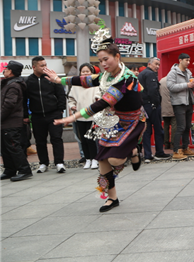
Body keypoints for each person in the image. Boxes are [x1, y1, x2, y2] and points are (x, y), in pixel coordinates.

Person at [44, 33, 145, 212]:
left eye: (106, 59)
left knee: (115, 159)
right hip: (110, 121)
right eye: (100, 61)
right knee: (103, 161)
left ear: (117, 56)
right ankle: (112, 198)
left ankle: (134, 148)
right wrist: (60, 80)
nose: (103, 64)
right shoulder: (105, 75)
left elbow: (103, 102)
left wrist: (73, 117)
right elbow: (86, 80)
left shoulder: (126, 78)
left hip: (132, 122)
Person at [26, 56, 66, 174]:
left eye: (45, 65)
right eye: (42, 65)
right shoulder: (28, 81)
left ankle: (59, 163)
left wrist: (61, 110)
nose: (45, 67)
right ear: (34, 67)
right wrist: (25, 114)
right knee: (40, 141)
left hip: (54, 114)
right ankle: (43, 163)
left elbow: (61, 94)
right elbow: (24, 99)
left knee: (56, 138)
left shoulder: (51, 78)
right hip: (37, 115)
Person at [1, 61, 33, 182]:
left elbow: (9, 104)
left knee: (14, 147)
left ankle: (24, 170)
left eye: (6, 69)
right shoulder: (8, 83)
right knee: (5, 148)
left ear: (11, 71)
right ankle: (10, 170)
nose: (4, 70)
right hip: (5, 122)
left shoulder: (14, 85)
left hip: (11, 122)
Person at [68, 63, 101, 170]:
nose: (85, 73)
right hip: (80, 115)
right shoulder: (76, 85)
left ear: (92, 72)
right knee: (83, 139)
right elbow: (70, 98)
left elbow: (100, 96)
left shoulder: (96, 84)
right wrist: (72, 106)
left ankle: (95, 159)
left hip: (93, 116)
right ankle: (87, 159)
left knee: (91, 139)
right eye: (83, 71)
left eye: (88, 71)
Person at [167, 53, 194, 160]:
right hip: (179, 103)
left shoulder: (188, 72)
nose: (188, 62)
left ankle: (185, 148)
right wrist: (186, 85)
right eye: (186, 60)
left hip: (189, 102)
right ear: (180, 60)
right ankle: (176, 151)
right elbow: (171, 87)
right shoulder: (173, 72)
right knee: (181, 127)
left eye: (189, 60)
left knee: (187, 127)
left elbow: (193, 89)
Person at [138, 57, 170, 162]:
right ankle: (159, 152)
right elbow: (153, 91)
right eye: (156, 64)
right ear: (149, 64)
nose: (157, 66)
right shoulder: (150, 74)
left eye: (159, 65)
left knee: (146, 131)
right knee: (158, 130)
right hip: (152, 106)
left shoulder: (141, 75)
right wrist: (156, 103)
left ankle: (147, 155)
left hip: (143, 105)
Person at [160, 76, 176, 151]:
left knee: (165, 125)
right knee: (174, 125)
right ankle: (173, 143)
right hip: (173, 106)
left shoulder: (161, 81)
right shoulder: (173, 80)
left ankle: (166, 143)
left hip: (163, 107)